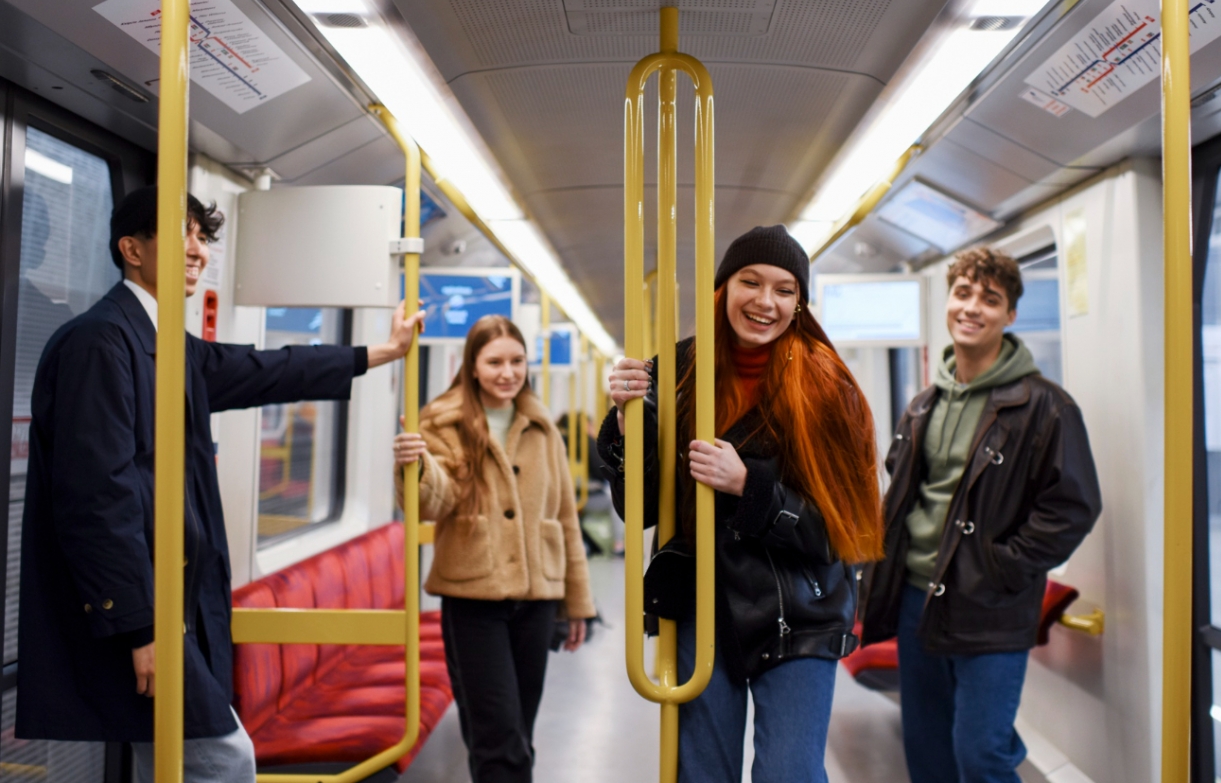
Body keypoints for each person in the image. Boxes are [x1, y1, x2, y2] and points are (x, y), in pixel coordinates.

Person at [14, 186, 425, 783]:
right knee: (223, 759)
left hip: (172, 606)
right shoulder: (100, 343)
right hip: (139, 612)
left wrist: (379, 353)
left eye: (202, 238)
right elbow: (98, 501)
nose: (197, 250)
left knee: (185, 761)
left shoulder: (164, 344)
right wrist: (140, 626)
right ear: (132, 248)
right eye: (181, 234)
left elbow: (265, 369)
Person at [598, 225, 884, 783]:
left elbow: (842, 530)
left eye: (783, 290)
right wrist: (624, 423)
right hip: (700, 600)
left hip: (797, 608)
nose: (765, 302)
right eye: (750, 282)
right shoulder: (674, 373)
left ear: (799, 303)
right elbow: (643, 508)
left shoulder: (829, 389)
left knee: (789, 773)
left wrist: (751, 490)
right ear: (723, 288)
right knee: (703, 773)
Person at [860, 246, 1102, 783]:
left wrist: (1000, 567)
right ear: (948, 302)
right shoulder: (923, 404)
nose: (972, 308)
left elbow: (1074, 506)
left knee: (981, 754)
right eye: (962, 293)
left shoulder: (1046, 407)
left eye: (989, 299)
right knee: (928, 754)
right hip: (916, 602)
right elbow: (904, 498)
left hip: (991, 607)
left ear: (1009, 315)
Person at [392, 315, 595, 783]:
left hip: (538, 597)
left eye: (517, 361)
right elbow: (433, 503)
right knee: (499, 740)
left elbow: (564, 517)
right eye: (495, 362)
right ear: (473, 365)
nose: (508, 372)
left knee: (516, 734)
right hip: (473, 597)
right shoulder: (442, 421)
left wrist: (578, 604)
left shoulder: (543, 426)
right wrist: (418, 463)